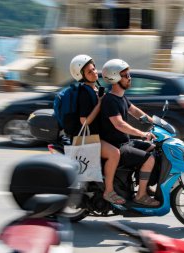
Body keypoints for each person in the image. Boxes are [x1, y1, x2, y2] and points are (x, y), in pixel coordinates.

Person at [100, 59, 160, 207]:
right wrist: (141, 133)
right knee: (149, 159)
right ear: (115, 77)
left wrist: (154, 122)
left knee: (154, 149)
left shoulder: (121, 98)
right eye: (126, 75)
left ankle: (143, 185)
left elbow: (135, 111)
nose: (129, 77)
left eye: (129, 74)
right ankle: (141, 196)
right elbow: (119, 124)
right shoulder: (110, 100)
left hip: (125, 141)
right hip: (116, 146)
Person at [69, 54, 125, 205]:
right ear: (81, 76)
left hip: (98, 135)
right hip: (87, 139)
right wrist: (100, 104)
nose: (94, 72)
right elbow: (85, 121)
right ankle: (108, 191)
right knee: (114, 153)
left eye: (94, 69)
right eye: (89, 72)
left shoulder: (96, 88)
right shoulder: (84, 93)